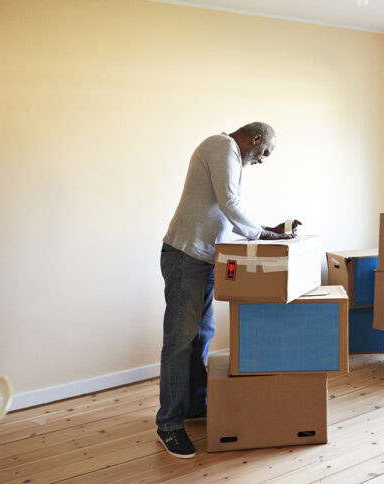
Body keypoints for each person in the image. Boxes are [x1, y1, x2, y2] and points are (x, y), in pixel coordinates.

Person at [156, 122, 301, 458]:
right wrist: (265, 236)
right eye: (265, 152)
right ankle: (169, 424)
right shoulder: (222, 146)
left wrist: (265, 228)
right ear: (255, 139)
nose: (263, 160)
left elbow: (225, 211)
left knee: (202, 335)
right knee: (179, 341)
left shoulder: (229, 155)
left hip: (204, 258)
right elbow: (230, 204)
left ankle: (193, 406)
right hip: (185, 256)